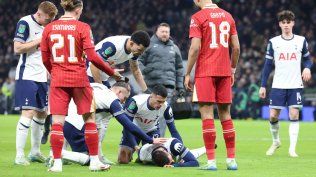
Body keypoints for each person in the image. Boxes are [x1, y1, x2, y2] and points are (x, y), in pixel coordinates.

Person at [40, 0, 122, 172]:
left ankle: (56, 163)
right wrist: (111, 71)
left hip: (58, 80)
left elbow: (45, 59)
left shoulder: (49, 28)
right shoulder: (83, 27)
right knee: (89, 120)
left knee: (57, 123)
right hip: (79, 79)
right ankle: (94, 161)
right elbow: (92, 56)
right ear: (78, 10)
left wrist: (54, 72)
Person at [47, 82, 167, 166]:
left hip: (65, 117)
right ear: (119, 92)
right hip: (75, 125)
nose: (123, 102)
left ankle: (58, 154)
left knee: (92, 154)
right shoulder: (111, 99)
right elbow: (127, 124)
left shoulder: (99, 87)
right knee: (89, 159)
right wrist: (150, 140)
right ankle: (57, 154)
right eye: (124, 98)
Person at [184, 0, 240, 170]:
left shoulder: (198, 17)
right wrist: (232, 70)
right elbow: (236, 48)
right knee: (226, 114)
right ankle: (231, 161)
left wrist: (187, 73)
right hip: (224, 71)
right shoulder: (228, 16)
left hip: (205, 72)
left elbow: (194, 48)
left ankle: (211, 162)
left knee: (207, 114)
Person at [259, 10, 312, 157]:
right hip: (278, 85)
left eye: (289, 22)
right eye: (283, 22)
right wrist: (263, 85)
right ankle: (276, 141)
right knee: (273, 116)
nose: (286, 25)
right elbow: (267, 65)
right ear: (280, 24)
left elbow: (308, 59)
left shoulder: (301, 41)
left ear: (293, 23)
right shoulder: (274, 42)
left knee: (294, 114)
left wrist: (307, 67)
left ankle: (292, 149)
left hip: (295, 84)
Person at [13, 1, 58, 166]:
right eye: (48, 19)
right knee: (29, 112)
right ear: (39, 14)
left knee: (42, 113)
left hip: (42, 77)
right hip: (27, 74)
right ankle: (19, 155)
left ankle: (35, 151)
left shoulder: (48, 26)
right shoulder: (25, 23)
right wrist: (39, 40)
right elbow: (17, 48)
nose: (50, 23)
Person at [138, 22, 184, 137]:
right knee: (145, 114)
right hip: (150, 86)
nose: (165, 34)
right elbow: (138, 61)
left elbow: (179, 68)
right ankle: (143, 140)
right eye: (162, 31)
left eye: (167, 32)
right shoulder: (148, 45)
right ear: (156, 32)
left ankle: (159, 141)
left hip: (167, 87)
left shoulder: (174, 48)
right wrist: (146, 71)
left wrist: (180, 87)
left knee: (163, 115)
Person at [118, 85, 182, 164]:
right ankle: (141, 157)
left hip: (152, 131)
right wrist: (135, 146)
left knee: (157, 158)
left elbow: (173, 130)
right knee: (123, 160)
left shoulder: (166, 107)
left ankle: (142, 158)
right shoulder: (136, 102)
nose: (161, 104)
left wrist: (181, 150)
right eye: (159, 101)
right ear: (151, 96)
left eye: (163, 101)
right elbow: (127, 126)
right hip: (134, 131)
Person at [138, 138, 205, 168]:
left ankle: (205, 148)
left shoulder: (175, 145)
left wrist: (174, 165)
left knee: (184, 159)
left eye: (171, 160)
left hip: (176, 152)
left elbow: (194, 162)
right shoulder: (143, 155)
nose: (173, 161)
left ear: (166, 151)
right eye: (172, 161)